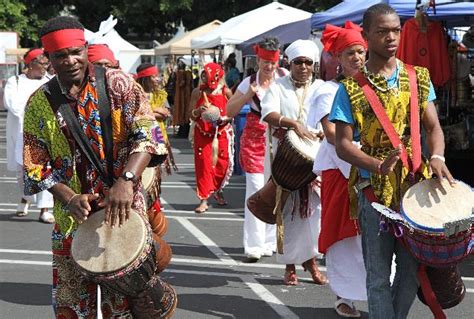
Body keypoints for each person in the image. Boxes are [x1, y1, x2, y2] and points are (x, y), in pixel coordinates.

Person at [22, 16, 174, 317]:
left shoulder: (119, 84)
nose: (69, 61)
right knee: (72, 309)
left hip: (125, 212)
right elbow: (34, 165)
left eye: (75, 52)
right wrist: (69, 198)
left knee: (127, 308)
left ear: (85, 48)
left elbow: (151, 135)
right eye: (59, 55)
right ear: (49, 59)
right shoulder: (39, 103)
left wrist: (126, 180)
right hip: (72, 220)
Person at [329, 4, 454, 318]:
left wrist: (436, 155)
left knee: (412, 272)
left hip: (415, 188)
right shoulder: (350, 89)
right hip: (374, 193)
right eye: (382, 31)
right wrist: (375, 165)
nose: (391, 37)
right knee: (378, 275)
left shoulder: (418, 78)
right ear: (367, 35)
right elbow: (343, 145)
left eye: (395, 30)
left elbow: (433, 127)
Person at [309, 21, 368, 318]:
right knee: (343, 234)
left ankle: (378, 292)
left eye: (360, 52)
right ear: (337, 60)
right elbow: (331, 134)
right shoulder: (328, 90)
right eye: (348, 54)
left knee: (373, 235)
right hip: (339, 169)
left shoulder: (376, 87)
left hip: (373, 169)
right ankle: (344, 295)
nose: (356, 58)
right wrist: (361, 149)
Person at [260, 39, 327, 286]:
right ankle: (289, 265)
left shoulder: (321, 86)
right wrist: (293, 124)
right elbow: (268, 113)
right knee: (288, 210)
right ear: (290, 63)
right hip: (286, 158)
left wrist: (322, 131)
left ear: (314, 65)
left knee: (314, 213)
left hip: (316, 157)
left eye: (308, 62)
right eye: (298, 62)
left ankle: (311, 261)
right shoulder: (278, 86)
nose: (303, 67)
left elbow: (329, 115)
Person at [227, 37, 287, 261]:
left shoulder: (285, 78)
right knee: (255, 188)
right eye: (264, 62)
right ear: (258, 59)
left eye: (272, 62)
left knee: (275, 188)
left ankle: (270, 240)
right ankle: (253, 244)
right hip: (254, 140)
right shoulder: (248, 82)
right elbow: (229, 110)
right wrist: (247, 95)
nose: (268, 67)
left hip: (280, 140)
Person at [3, 48, 55, 223]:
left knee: (45, 170)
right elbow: (12, 104)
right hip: (21, 134)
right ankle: (26, 198)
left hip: (44, 134)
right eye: (42, 63)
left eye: (47, 64)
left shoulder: (51, 80)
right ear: (31, 64)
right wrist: (34, 116)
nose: (46, 67)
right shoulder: (15, 81)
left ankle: (44, 209)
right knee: (21, 173)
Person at [189, 63, 234, 213]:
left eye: (206, 75)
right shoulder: (197, 92)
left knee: (222, 164)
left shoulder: (225, 92)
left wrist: (223, 119)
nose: (204, 78)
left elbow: (233, 111)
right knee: (203, 166)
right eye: (203, 75)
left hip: (221, 133)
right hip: (202, 134)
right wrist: (198, 111)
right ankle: (204, 199)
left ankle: (218, 189)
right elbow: (190, 114)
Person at [135, 62, 177, 175]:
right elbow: (137, 114)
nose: (157, 79)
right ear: (145, 78)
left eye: (157, 76)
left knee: (155, 173)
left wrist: (147, 111)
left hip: (158, 135)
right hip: (142, 136)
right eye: (153, 76)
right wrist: (156, 110)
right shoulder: (135, 93)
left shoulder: (160, 94)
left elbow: (166, 113)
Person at [173, 59, 193, 138]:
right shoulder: (185, 74)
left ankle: (184, 129)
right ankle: (183, 128)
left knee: (183, 111)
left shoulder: (181, 74)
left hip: (184, 96)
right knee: (182, 111)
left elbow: (181, 84)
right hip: (184, 96)